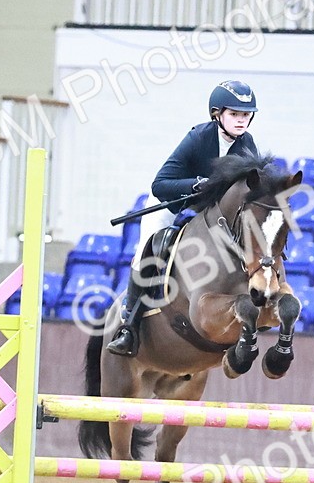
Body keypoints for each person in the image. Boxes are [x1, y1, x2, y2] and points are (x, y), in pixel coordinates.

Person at [106, 80, 261, 356]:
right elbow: (160, 184)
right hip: (172, 204)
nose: (241, 120)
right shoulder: (198, 138)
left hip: (208, 213)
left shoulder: (247, 145)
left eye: (246, 115)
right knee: (147, 251)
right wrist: (195, 184)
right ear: (217, 114)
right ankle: (129, 326)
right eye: (235, 114)